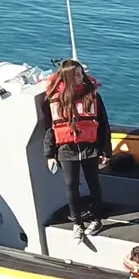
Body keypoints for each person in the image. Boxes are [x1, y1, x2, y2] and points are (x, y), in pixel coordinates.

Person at [36, 60, 113, 238]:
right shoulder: (54, 100)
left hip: (89, 148)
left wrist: (105, 151)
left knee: (93, 183)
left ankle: (96, 220)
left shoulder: (92, 96)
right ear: (67, 78)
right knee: (71, 186)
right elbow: (50, 128)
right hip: (66, 149)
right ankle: (77, 223)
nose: (80, 77)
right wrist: (49, 154)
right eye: (76, 75)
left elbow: (103, 125)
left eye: (81, 74)